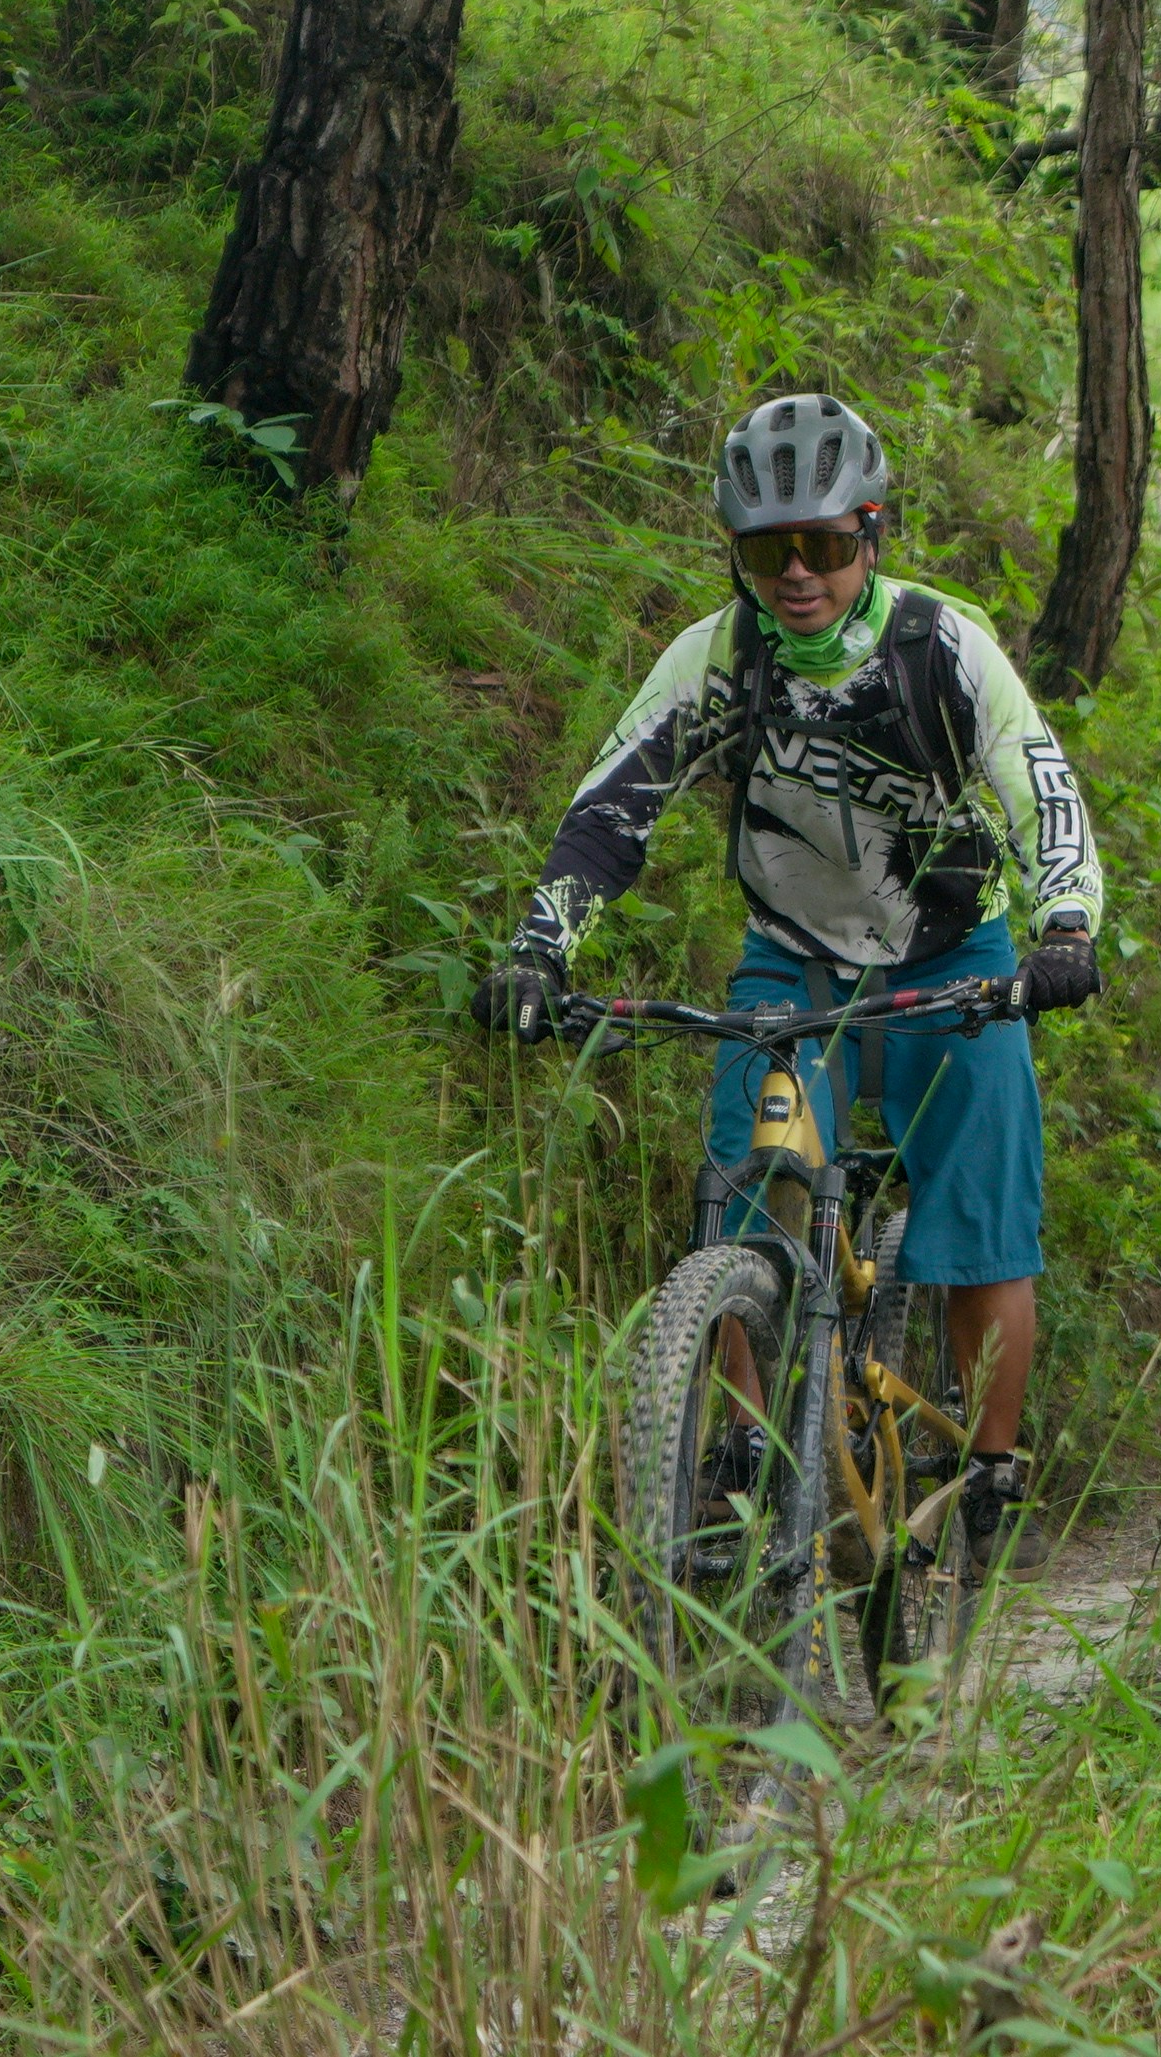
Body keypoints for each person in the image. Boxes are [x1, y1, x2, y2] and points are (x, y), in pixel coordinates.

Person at [472, 391, 1107, 1575]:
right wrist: (539, 946)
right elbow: (614, 808)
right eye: (770, 549)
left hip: (951, 960)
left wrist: (1065, 927)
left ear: (873, 533)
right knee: (750, 1201)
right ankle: (754, 1452)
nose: (799, 573)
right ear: (739, 553)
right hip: (794, 957)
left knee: (979, 1232)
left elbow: (1038, 783)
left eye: (825, 543)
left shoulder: (940, 646)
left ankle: (992, 1470)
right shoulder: (723, 654)